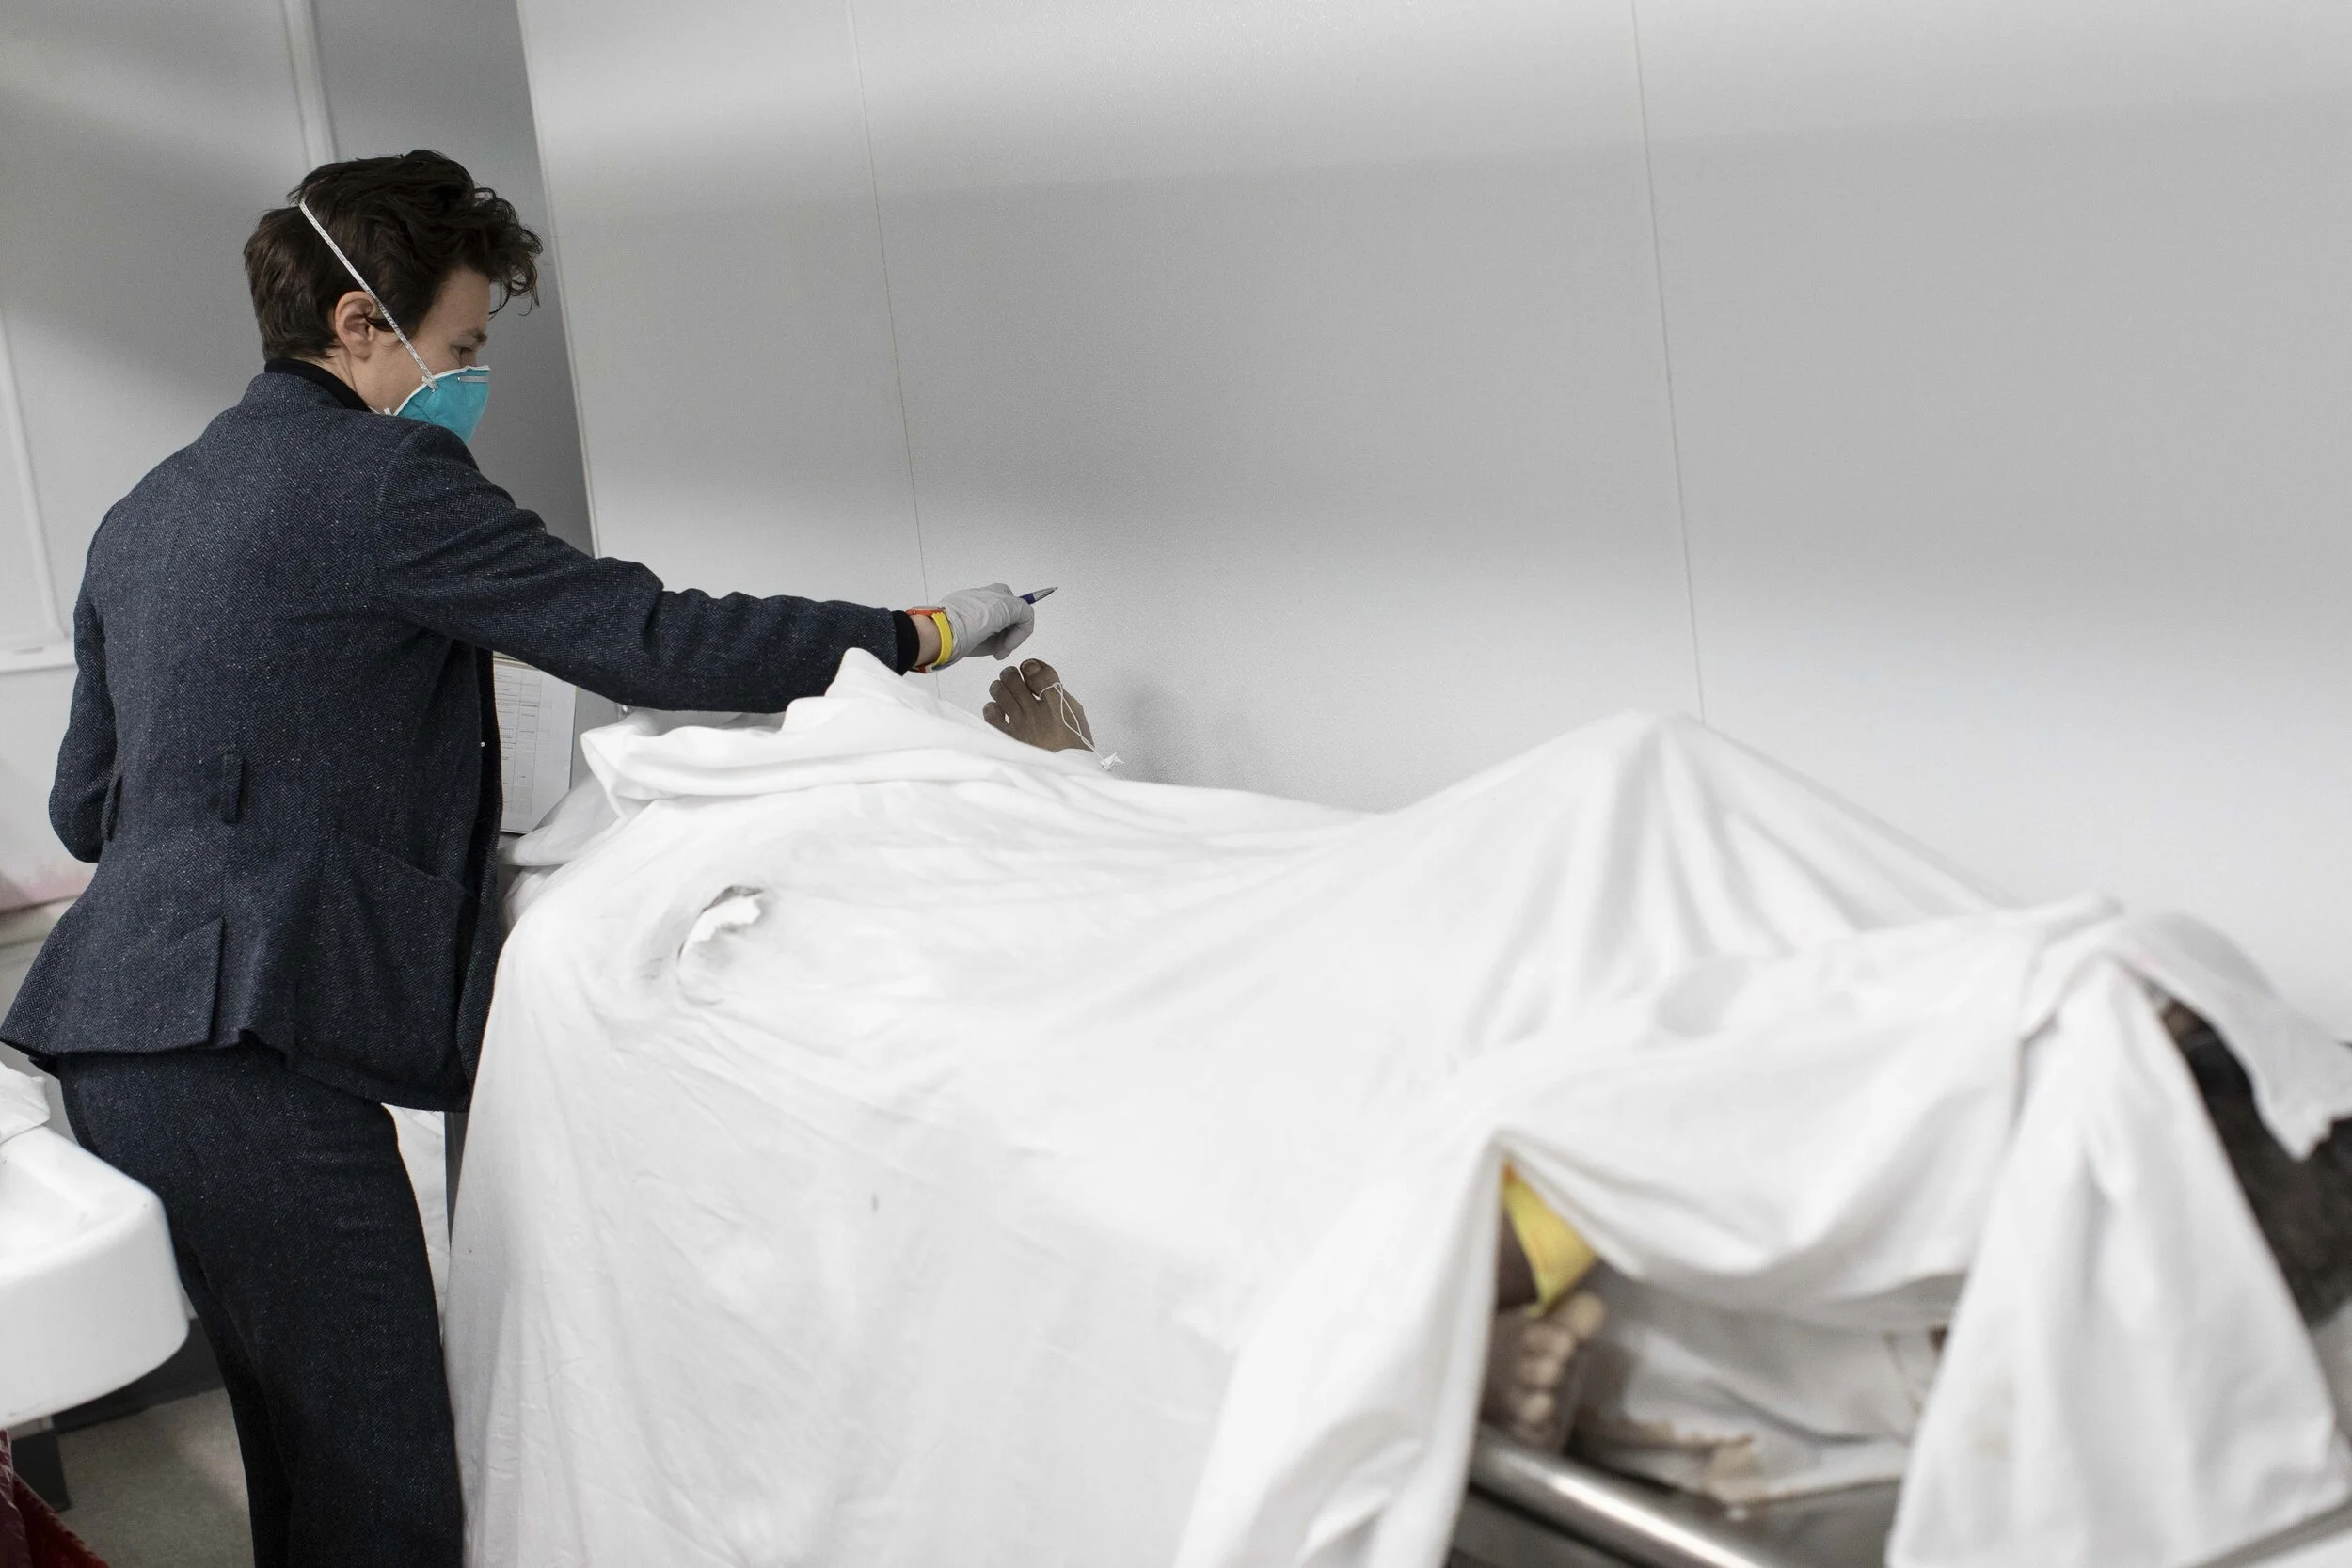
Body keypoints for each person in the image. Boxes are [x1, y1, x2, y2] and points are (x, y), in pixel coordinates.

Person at [0, 150, 1040, 1568]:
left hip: (116, 1038)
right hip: (241, 1047)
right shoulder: (385, 478)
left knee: (303, 1452)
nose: (468, 379)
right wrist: (921, 632)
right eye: (462, 345)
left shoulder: (147, 511)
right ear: (360, 322)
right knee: (387, 1492)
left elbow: (85, 811)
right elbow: (649, 636)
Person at [979, 658, 2352, 1461]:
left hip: (1575, 979)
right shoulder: (2006, 1049)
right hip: (1607, 882)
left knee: (1264, 917)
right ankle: (1059, 800)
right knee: (1624, 793)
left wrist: (1474, 1297)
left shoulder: (1975, 1188)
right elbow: (1639, 1130)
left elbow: (1618, 1148)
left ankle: (1064, 805)